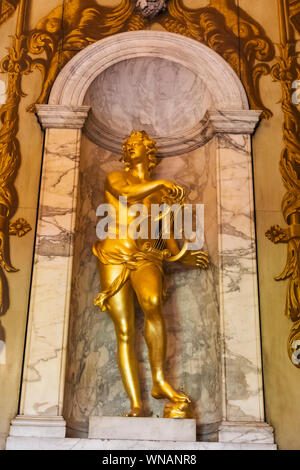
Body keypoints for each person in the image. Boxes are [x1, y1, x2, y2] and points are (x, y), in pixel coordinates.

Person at [93, 130, 209, 418]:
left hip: (147, 256)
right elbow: (126, 194)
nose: (130, 148)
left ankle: (158, 382)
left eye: (136, 145)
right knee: (124, 330)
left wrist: (184, 255)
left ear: (149, 151)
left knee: (154, 304)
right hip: (114, 255)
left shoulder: (161, 193)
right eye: (128, 145)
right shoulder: (116, 178)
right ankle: (135, 404)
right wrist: (162, 184)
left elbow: (167, 238)